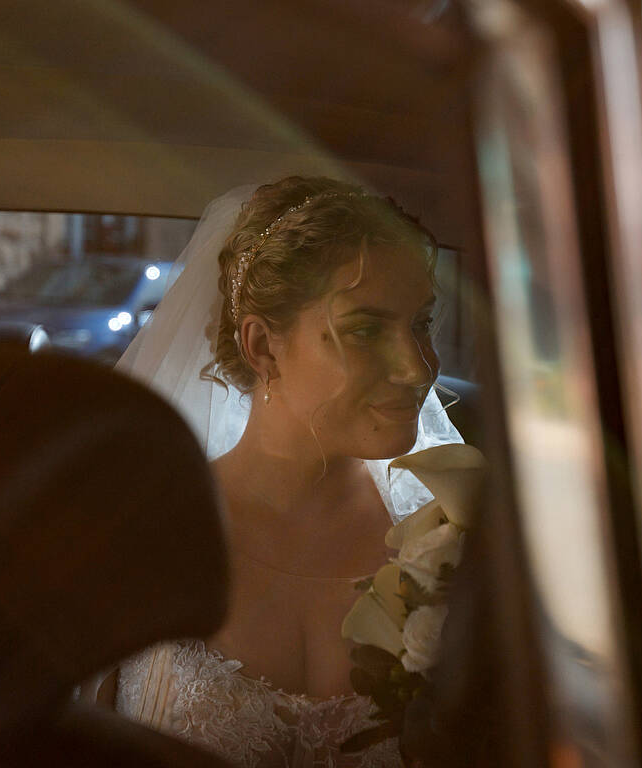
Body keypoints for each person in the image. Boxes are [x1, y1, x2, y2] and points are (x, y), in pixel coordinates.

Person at [82, 176, 463, 768]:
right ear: (262, 346)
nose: (418, 367)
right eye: (365, 329)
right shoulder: (138, 531)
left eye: (420, 323)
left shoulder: (447, 537)